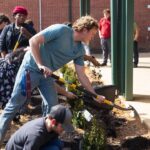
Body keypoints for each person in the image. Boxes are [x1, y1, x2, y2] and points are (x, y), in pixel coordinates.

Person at [0, 15, 105, 144]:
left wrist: (94, 94)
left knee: (52, 106)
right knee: (15, 105)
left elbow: (81, 75)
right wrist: (40, 64)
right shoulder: (61, 30)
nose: (93, 37)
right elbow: (33, 40)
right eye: (92, 34)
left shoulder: (79, 50)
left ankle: (43, 137)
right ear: (84, 30)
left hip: (46, 75)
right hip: (31, 69)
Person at [5, 104, 74, 150]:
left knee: (59, 144)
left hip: (32, 145)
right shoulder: (36, 134)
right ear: (53, 122)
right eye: (62, 127)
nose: (64, 130)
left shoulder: (50, 125)